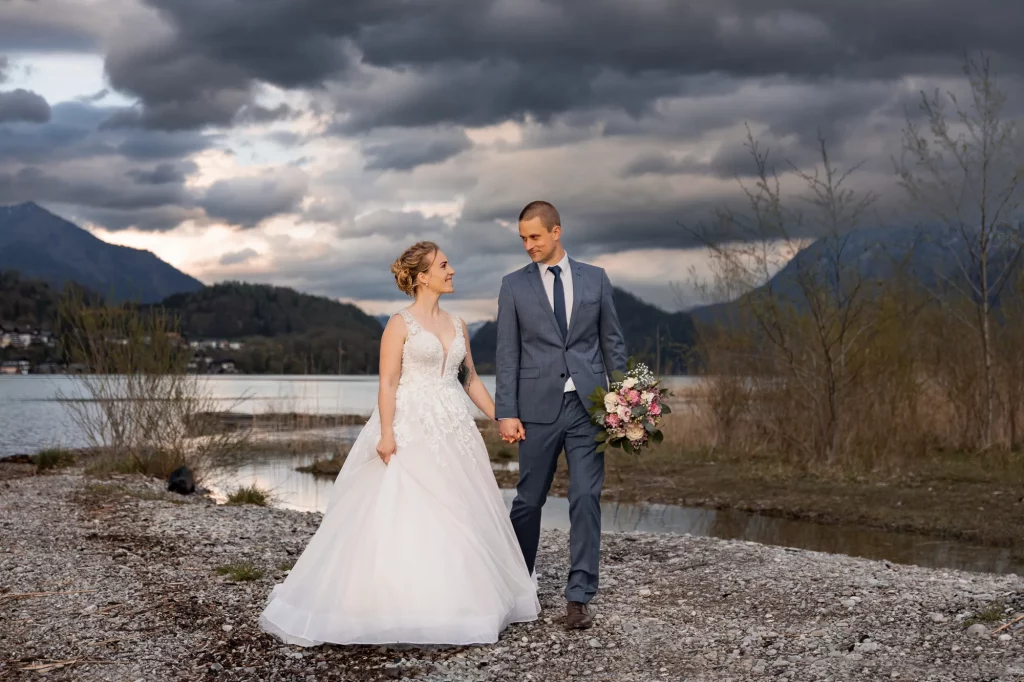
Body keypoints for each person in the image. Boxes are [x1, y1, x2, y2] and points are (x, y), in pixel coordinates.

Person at [258, 241, 539, 646]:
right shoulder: (399, 324)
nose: (452, 270)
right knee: (408, 507)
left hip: (453, 426)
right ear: (423, 276)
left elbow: (469, 379)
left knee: (460, 508)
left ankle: (461, 601)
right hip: (411, 424)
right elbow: (388, 382)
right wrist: (387, 433)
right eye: (445, 265)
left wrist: (501, 417)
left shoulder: (458, 324)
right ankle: (394, 604)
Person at [495, 201, 627, 630]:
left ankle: (579, 597)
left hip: (588, 407)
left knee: (586, 497)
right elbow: (507, 355)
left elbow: (613, 344)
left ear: (556, 232)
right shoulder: (513, 286)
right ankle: (517, 585)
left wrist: (624, 401)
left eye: (534, 236)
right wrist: (506, 412)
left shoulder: (596, 279)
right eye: (523, 239)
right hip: (535, 409)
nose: (528, 245)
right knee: (528, 500)